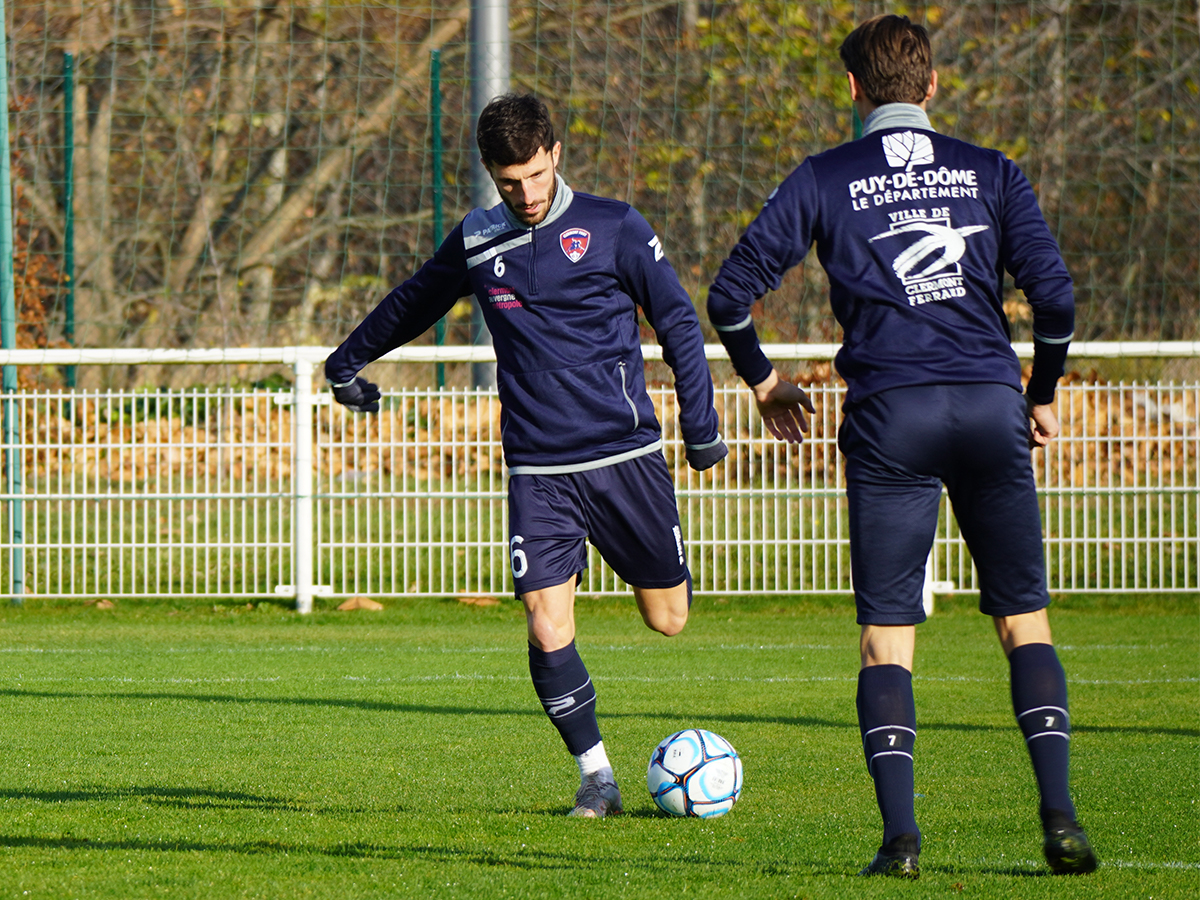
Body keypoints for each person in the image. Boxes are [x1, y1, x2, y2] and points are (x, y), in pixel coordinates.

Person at [706, 14, 1097, 878]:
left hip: (890, 417)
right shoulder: (992, 171)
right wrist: (1040, 391)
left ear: (852, 91)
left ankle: (901, 841)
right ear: (931, 86)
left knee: (888, 637)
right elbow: (1057, 300)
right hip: (992, 406)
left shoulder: (822, 177)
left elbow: (729, 297)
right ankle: (1061, 818)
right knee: (1022, 620)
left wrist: (766, 382)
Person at [325, 93, 727, 818]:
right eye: (511, 182)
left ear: (556, 155)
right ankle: (597, 778)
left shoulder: (615, 226)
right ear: (490, 173)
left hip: (624, 454)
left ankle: (647, 568)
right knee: (545, 621)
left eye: (538, 175)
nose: (529, 193)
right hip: (539, 468)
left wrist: (701, 424)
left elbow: (676, 319)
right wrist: (344, 362)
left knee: (668, 618)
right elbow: (415, 300)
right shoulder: (479, 241)